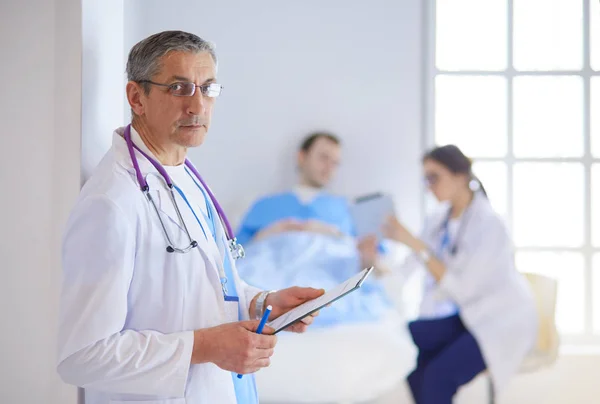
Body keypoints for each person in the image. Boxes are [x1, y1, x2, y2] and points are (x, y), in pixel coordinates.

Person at [56, 31, 325, 404]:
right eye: (180, 89)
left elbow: (204, 285)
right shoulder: (111, 202)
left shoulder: (183, 172)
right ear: (137, 97)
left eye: (208, 88)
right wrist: (204, 346)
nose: (197, 106)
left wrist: (261, 302)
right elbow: (81, 358)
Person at [382, 145, 537, 404]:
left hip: (501, 320)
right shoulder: (438, 218)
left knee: (437, 377)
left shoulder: (489, 225)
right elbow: (405, 270)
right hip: (469, 316)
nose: (428, 186)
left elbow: (462, 289)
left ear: (460, 176)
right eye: (425, 179)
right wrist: (371, 259)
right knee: (406, 346)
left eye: (434, 177)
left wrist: (414, 242)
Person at [236, 132, 378, 268]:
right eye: (323, 158)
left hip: (330, 279)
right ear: (302, 157)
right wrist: (272, 232)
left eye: (335, 163)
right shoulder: (264, 205)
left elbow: (373, 261)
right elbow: (235, 254)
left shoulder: (348, 209)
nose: (329, 167)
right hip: (268, 277)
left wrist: (334, 234)